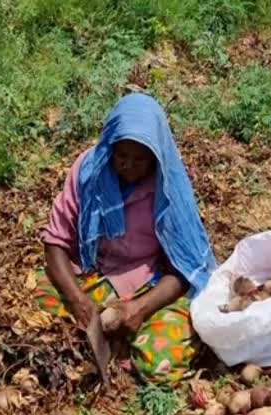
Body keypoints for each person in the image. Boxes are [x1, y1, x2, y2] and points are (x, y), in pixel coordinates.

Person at [34, 93, 216, 383]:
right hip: (95, 276)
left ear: (155, 157)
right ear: (110, 147)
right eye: (121, 156)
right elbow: (55, 241)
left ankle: (128, 335)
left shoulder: (168, 190)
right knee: (40, 298)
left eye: (139, 160)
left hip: (149, 287)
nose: (128, 166)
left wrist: (139, 308)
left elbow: (184, 270)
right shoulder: (89, 171)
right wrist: (77, 299)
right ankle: (109, 338)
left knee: (158, 363)